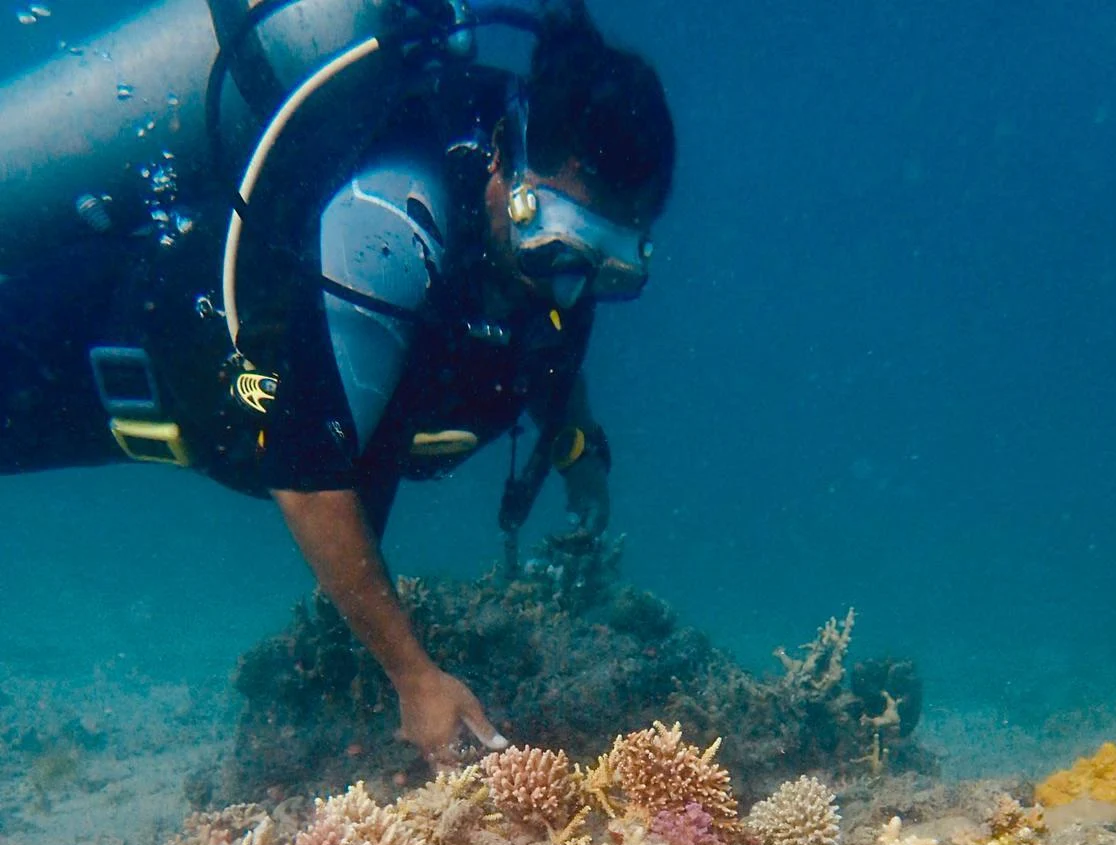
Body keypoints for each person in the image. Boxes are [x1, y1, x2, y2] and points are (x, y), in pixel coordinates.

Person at [0, 2, 676, 764]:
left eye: (604, 271)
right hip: (102, 343)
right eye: (557, 249)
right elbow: (307, 475)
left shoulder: (548, 266)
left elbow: (547, 344)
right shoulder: (389, 225)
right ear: (502, 159)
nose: (569, 286)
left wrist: (580, 451)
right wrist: (415, 677)